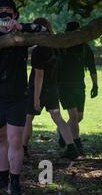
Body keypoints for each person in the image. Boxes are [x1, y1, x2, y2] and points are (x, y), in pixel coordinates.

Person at [0, 0, 46, 195]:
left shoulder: (23, 35)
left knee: (15, 140)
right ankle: (3, 177)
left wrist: (21, 26)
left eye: (8, 12)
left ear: (15, 15)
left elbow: (45, 31)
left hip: (16, 97)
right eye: (1, 13)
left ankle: (14, 182)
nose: (4, 16)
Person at [22, 18, 78, 160]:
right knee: (58, 117)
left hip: (39, 89)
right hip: (53, 87)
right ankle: (71, 147)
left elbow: (39, 76)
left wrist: (36, 99)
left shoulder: (39, 51)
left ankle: (23, 148)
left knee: (28, 118)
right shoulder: (56, 47)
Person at [58, 21, 98, 155]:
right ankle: (77, 144)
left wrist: (95, 85)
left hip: (80, 86)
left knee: (79, 117)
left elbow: (92, 67)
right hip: (64, 86)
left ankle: (62, 131)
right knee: (74, 117)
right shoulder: (61, 47)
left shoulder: (85, 48)